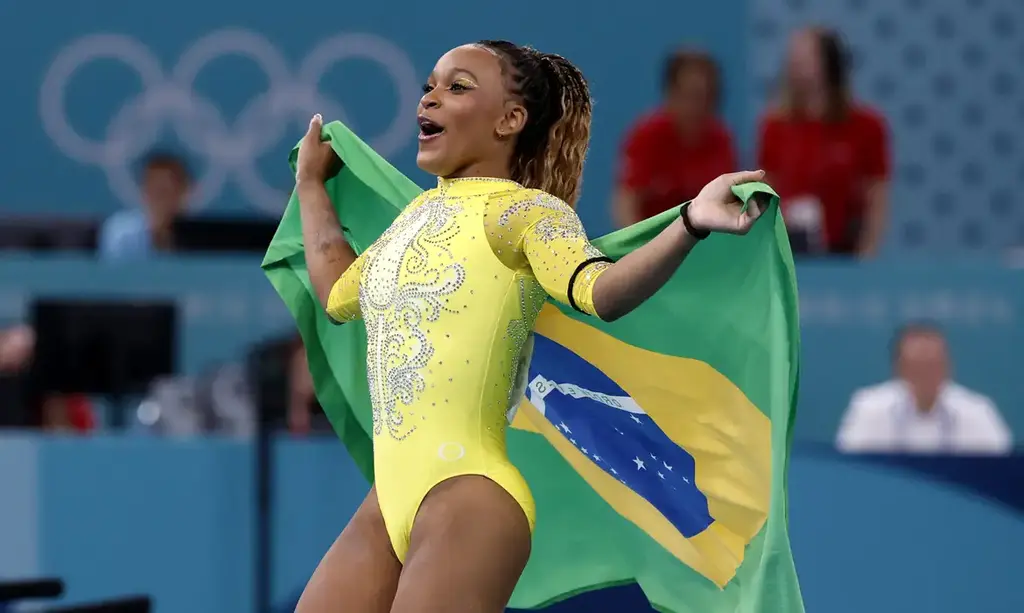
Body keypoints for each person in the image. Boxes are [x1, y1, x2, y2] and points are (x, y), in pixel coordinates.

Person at [292, 40, 768, 613]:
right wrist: (311, 188)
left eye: (457, 87)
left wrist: (690, 222)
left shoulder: (525, 214)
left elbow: (603, 291)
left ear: (509, 120)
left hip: (469, 497)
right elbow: (337, 291)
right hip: (385, 503)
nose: (431, 98)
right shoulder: (410, 221)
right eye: (429, 86)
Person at [757, 27, 889, 257]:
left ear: (829, 64)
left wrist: (866, 256)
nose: (794, 64)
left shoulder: (867, 126)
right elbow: (765, 193)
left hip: (846, 252)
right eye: (792, 57)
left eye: (804, 57)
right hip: (789, 252)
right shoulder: (773, 127)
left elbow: (876, 197)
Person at [836, 323, 1012, 455]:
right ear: (900, 370)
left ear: (948, 367)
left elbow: (1001, 470)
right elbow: (851, 469)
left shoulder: (976, 410)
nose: (926, 375)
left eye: (933, 365)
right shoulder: (869, 408)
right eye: (917, 366)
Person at [613, 49, 737, 228]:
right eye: (688, 96)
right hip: (651, 242)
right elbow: (625, 202)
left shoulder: (721, 138)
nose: (695, 107)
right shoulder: (647, 135)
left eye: (705, 97)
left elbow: (728, 204)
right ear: (670, 94)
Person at [97, 151, 191, 260]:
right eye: (156, 191)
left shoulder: (199, 237)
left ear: (183, 193)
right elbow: (113, 274)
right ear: (144, 192)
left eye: (166, 191)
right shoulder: (120, 232)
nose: (161, 201)